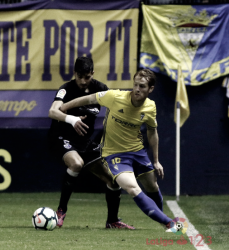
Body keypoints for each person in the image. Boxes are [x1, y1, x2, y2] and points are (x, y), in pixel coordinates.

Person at [59, 68, 179, 232]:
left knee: (152, 186)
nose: (137, 89)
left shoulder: (150, 107)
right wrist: (63, 107)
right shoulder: (114, 97)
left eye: (142, 86)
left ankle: (163, 220)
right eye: (135, 85)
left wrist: (156, 161)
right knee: (132, 188)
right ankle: (170, 224)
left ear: (150, 89)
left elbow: (152, 132)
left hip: (138, 152)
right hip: (115, 155)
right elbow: (87, 99)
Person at [48, 57, 134, 229]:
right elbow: (52, 111)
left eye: (86, 77)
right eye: (79, 76)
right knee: (76, 164)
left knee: (113, 179)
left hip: (84, 142)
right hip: (62, 137)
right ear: (74, 73)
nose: (82, 80)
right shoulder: (66, 89)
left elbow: (117, 107)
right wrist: (71, 119)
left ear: (92, 74)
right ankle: (61, 211)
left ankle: (112, 221)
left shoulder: (100, 89)